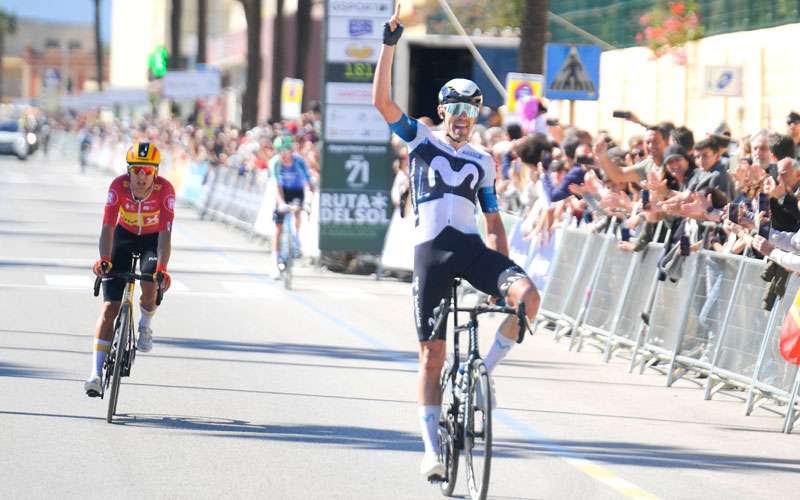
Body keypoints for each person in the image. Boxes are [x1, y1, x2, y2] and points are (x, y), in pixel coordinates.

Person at [372, 5, 540, 482]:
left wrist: (501, 268)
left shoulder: (486, 160)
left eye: (471, 109)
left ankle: (480, 374)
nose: (463, 117)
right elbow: (382, 102)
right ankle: (430, 449)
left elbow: (493, 221)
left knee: (528, 298)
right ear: (443, 110)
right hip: (431, 254)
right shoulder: (421, 138)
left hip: (470, 250)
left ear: (477, 114)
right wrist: (390, 43)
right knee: (432, 355)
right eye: (456, 108)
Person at [85, 142, 175, 397]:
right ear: (129, 171)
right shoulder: (118, 186)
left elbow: (166, 235)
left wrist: (163, 268)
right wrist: (104, 258)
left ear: (155, 173)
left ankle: (146, 323)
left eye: (147, 172)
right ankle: (95, 374)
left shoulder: (165, 190)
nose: (141, 177)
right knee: (109, 308)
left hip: (151, 240)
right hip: (123, 237)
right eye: (136, 171)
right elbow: (107, 227)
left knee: (150, 284)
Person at [270, 135, 312, 277]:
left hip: (297, 191)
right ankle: (274, 262)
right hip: (283, 191)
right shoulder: (275, 163)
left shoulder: (299, 161)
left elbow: (307, 183)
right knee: (278, 227)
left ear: (290, 150)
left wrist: (308, 201)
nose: (282, 154)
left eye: (285, 150)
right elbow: (276, 185)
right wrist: (281, 203)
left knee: (297, 213)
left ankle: (295, 238)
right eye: (279, 151)